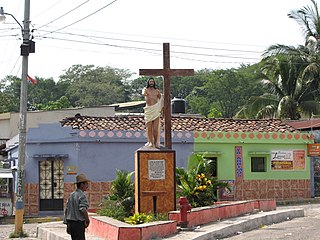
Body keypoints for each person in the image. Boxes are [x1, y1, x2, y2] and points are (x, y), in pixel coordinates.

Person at [64, 173, 91, 240]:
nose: (87, 186)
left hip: (71, 223)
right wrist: (87, 220)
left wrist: (67, 223)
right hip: (78, 224)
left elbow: (67, 209)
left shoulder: (71, 195)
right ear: (82, 185)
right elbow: (83, 209)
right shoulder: (82, 195)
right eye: (86, 184)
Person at [142, 77, 163, 148]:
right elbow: (143, 94)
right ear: (148, 82)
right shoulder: (145, 90)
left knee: (155, 129)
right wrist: (145, 92)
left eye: (152, 82)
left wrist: (161, 108)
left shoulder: (157, 91)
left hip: (155, 109)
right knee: (149, 127)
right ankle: (150, 141)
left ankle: (156, 142)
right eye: (150, 82)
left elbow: (161, 99)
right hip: (149, 109)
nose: (151, 83)